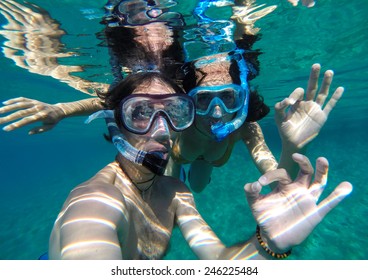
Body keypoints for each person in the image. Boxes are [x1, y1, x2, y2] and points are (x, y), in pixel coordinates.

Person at [48, 70, 352, 260]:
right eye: (140, 111)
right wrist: (62, 109)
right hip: (182, 158)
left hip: (190, 171)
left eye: (174, 112)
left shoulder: (176, 195)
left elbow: (222, 264)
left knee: (193, 184)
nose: (161, 128)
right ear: (117, 121)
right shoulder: (95, 201)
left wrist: (268, 245)